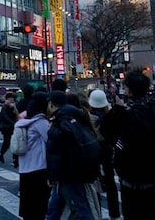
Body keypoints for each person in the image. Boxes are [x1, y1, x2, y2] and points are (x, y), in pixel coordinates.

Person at [108, 72, 155, 220]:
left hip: (131, 174)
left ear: (129, 90)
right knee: (153, 211)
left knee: (133, 213)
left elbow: (112, 136)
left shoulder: (127, 113)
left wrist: (116, 110)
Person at [45, 90, 99, 220]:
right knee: (56, 206)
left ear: (51, 104)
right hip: (73, 172)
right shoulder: (76, 117)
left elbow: (56, 152)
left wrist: (52, 176)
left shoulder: (61, 122)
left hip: (67, 174)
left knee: (79, 208)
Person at [15, 91, 50, 220]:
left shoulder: (27, 121)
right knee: (39, 206)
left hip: (25, 167)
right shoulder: (40, 122)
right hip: (38, 168)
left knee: (28, 206)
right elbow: (50, 138)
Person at [88, 88, 120, 219]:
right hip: (107, 150)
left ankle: (97, 212)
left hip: (93, 150)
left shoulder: (88, 117)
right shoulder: (111, 117)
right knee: (110, 181)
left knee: (95, 183)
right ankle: (115, 212)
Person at [0, 93, 19, 165]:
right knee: (7, 142)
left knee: (14, 142)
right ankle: (1, 153)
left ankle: (15, 159)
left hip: (12, 127)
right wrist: (13, 123)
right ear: (8, 99)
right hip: (6, 127)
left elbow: (16, 115)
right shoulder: (4, 107)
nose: (12, 100)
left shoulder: (13, 106)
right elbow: (5, 117)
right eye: (11, 98)